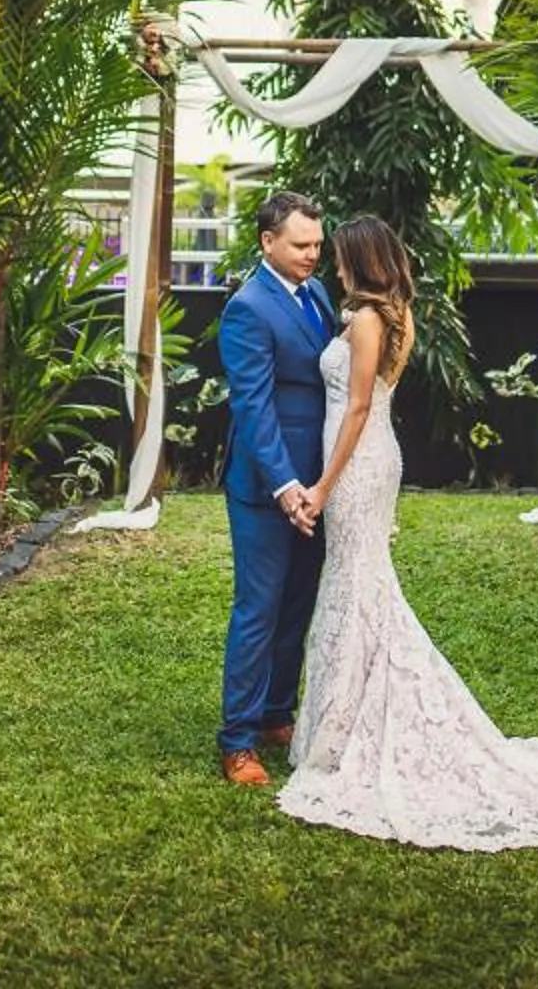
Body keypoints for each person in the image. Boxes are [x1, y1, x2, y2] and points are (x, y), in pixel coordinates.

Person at [274, 214, 538, 850]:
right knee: (359, 584)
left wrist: (322, 484)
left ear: (360, 260)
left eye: (339, 255)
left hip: (359, 462)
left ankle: (356, 723)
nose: (332, 263)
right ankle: (342, 721)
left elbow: (360, 405)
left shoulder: (369, 321)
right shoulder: (382, 314)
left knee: (360, 586)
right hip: (368, 459)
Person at [215, 191, 334, 786]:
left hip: (320, 483)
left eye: (317, 244)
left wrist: (323, 483)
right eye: (301, 245)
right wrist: (287, 486)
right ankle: (237, 740)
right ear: (268, 242)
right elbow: (255, 409)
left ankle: (276, 714)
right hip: (268, 489)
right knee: (259, 610)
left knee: (297, 606)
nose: (314, 254)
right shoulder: (248, 308)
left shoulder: (317, 294)